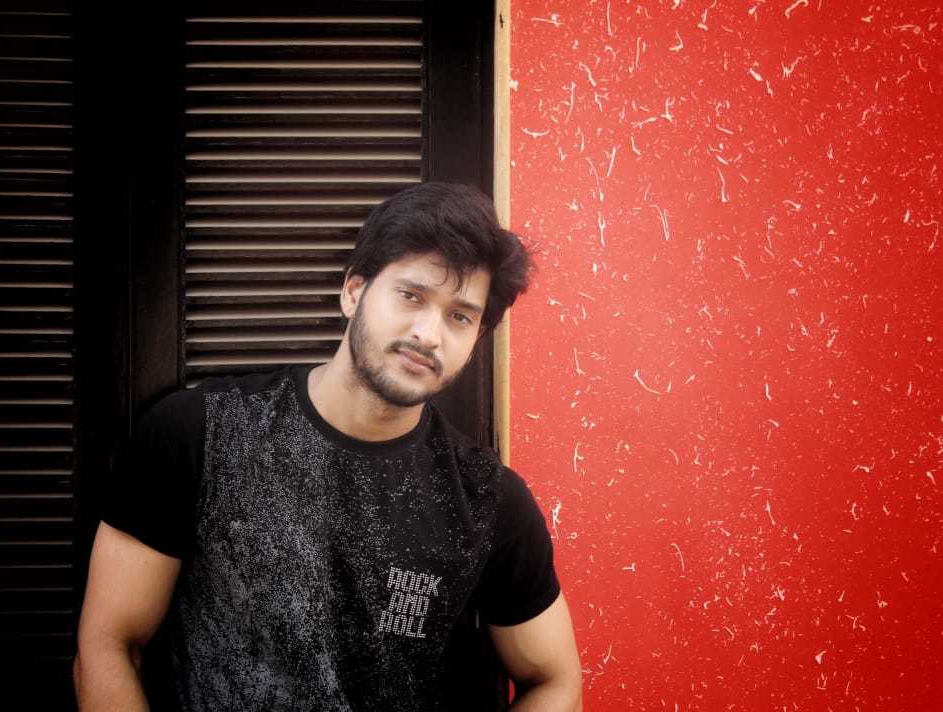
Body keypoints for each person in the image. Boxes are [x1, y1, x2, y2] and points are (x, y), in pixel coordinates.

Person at [73, 182, 583, 711]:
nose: (429, 334)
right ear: (354, 291)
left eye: (460, 316)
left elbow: (554, 679)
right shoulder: (199, 432)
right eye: (411, 295)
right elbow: (109, 644)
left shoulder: (488, 499)